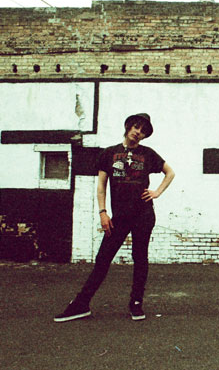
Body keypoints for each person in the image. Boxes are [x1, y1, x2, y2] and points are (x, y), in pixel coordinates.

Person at [55, 113, 175, 322]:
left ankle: (136, 303)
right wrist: (103, 212)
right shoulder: (109, 153)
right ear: (128, 127)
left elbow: (170, 172)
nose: (138, 132)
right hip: (119, 217)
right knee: (103, 258)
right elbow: (101, 186)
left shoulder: (148, 154)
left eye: (143, 131)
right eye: (136, 127)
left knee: (140, 257)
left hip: (144, 215)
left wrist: (157, 192)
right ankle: (81, 304)